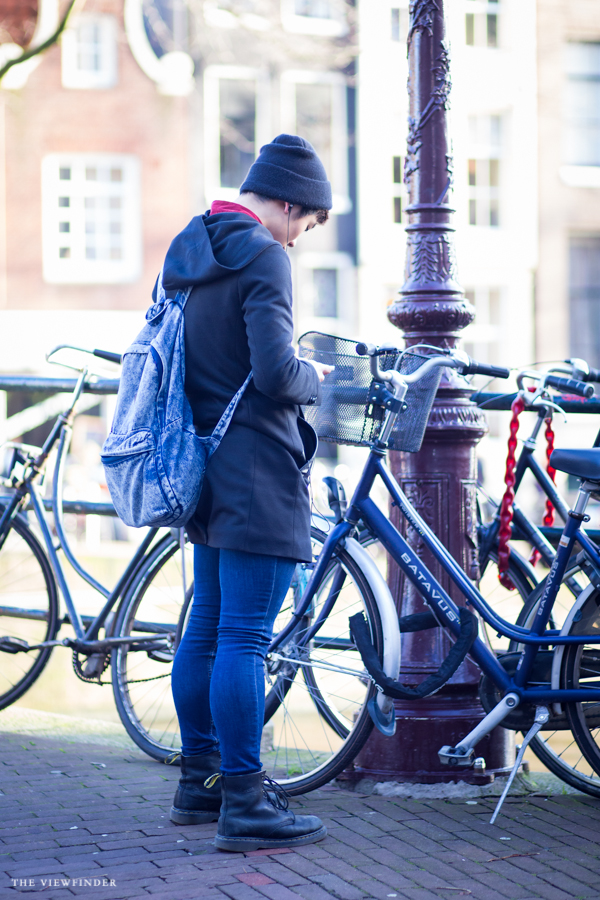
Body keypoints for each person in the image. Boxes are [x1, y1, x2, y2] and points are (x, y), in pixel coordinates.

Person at [165, 134, 333, 852]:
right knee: (243, 636)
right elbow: (273, 372)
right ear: (288, 204)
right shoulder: (263, 253)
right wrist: (315, 378)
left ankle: (198, 784)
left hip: (200, 460)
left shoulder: (191, 243)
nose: (302, 239)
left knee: (205, 626)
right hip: (258, 467)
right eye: (308, 224)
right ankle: (245, 801)